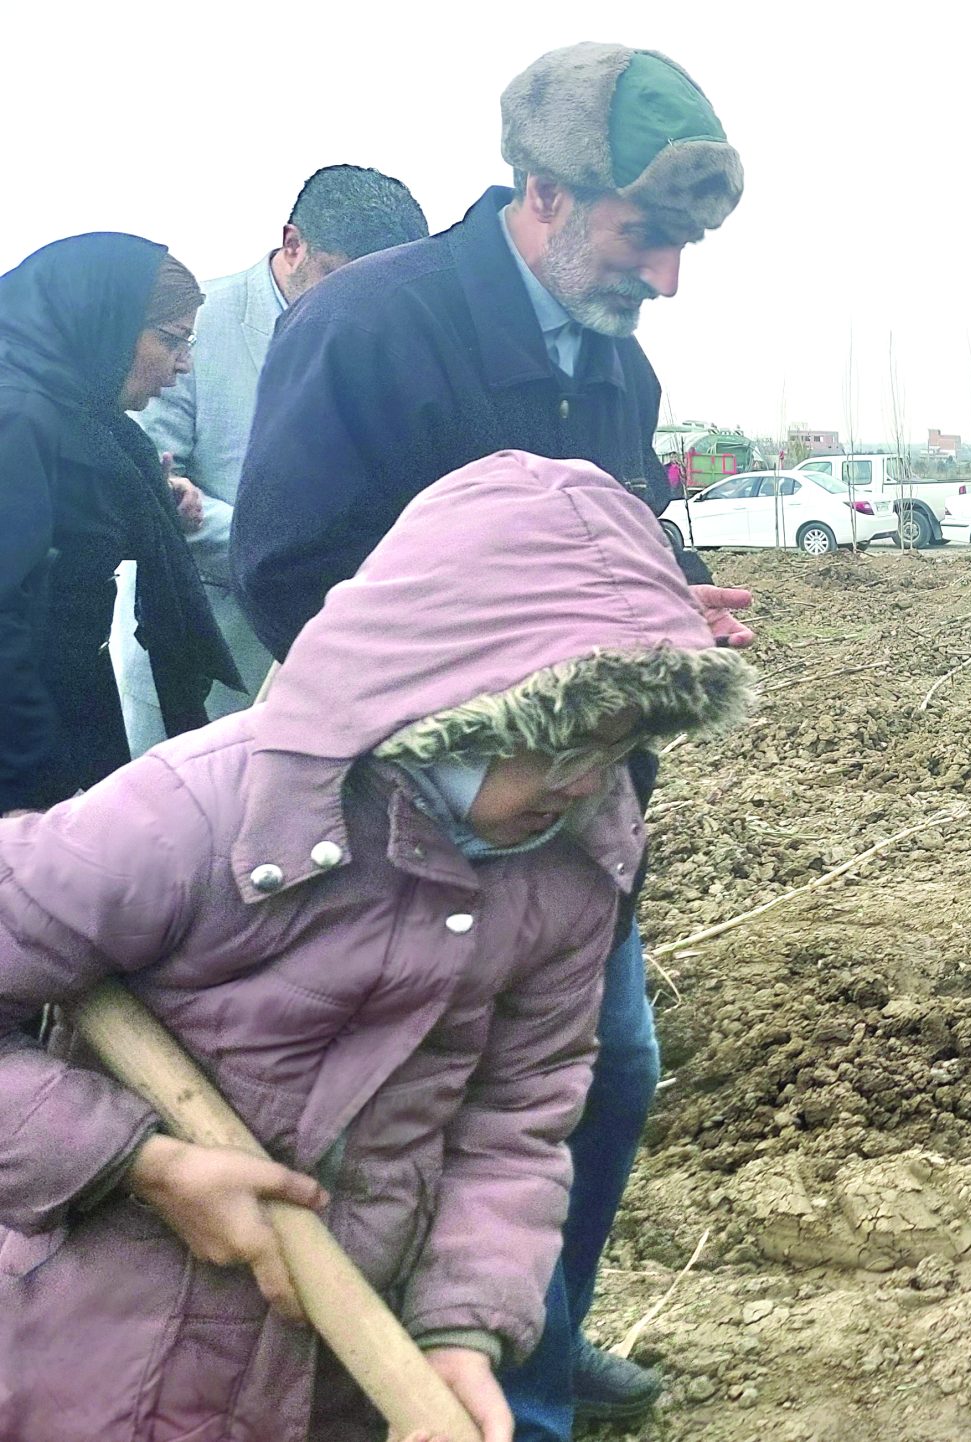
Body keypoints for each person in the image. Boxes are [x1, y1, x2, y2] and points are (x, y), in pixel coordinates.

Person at [0, 451, 754, 1442]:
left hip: (341, 1367)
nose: (589, 782)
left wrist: (461, 1333)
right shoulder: (197, 813)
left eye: (620, 750)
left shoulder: (574, 867)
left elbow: (517, 1120)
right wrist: (138, 1161)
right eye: (564, 742)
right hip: (97, 1358)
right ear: (451, 700)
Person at [231, 42, 750, 1437]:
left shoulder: (613, 362)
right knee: (455, 1114)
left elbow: (596, 543)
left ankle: (537, 1322)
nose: (670, 276)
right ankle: (492, 1390)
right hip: (414, 822)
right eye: (653, 235)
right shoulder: (374, 331)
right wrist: (479, 725)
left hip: (574, 819)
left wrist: (659, 600)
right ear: (546, 193)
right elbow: (288, 571)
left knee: (608, 1078)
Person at [115, 164, 430, 747]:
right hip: (209, 658)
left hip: (352, 669)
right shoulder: (191, 331)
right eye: (340, 277)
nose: (362, 301)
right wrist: (298, 553)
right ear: (293, 244)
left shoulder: (404, 336)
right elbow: (150, 487)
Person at [0, 233, 237, 816]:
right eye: (172, 340)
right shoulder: (19, 418)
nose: (183, 363)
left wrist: (151, 500)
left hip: (65, 712)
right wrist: (37, 787)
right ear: (104, 324)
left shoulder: (77, 411)